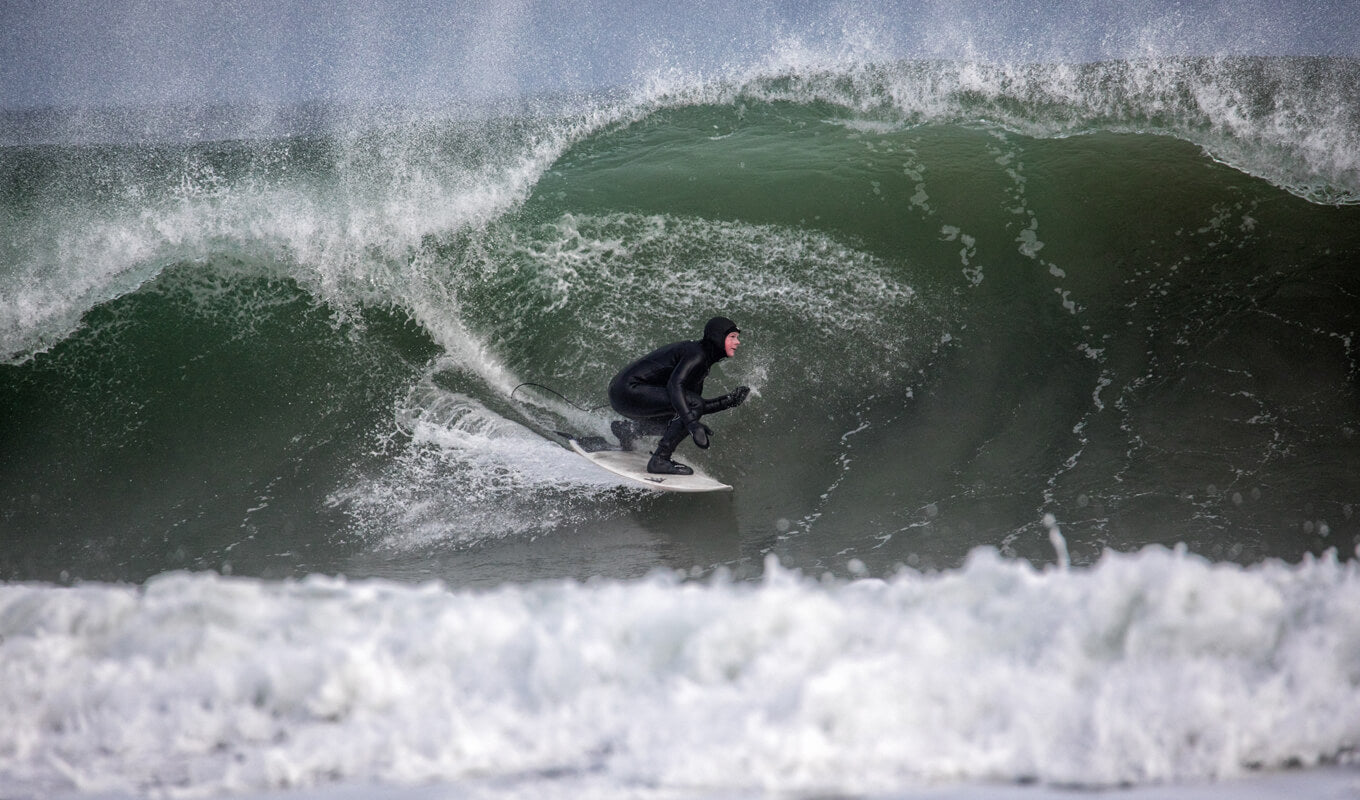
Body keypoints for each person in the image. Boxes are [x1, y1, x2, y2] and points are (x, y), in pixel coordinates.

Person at [608, 316, 751, 475]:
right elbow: (675, 386)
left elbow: (695, 405)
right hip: (627, 391)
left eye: (737, 338)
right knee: (688, 413)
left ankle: (629, 430)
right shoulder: (696, 354)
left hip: (625, 393)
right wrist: (692, 424)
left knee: (682, 417)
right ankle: (660, 459)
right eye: (732, 337)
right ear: (717, 337)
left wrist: (727, 402)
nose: (737, 342)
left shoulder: (702, 361)